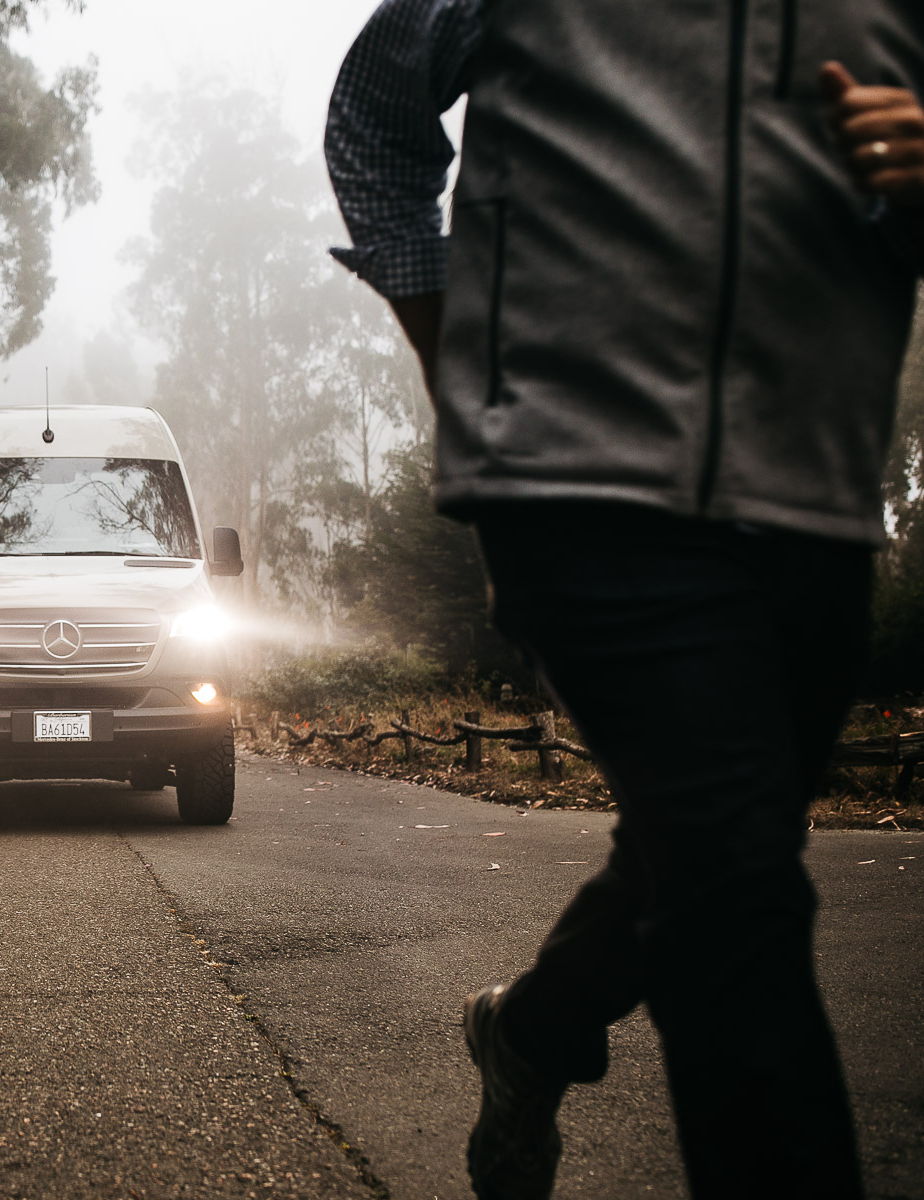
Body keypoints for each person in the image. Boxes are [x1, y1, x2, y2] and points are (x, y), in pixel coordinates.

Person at [325, 2, 923, 1198]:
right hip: (575, 480)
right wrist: (459, 358)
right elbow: (373, 119)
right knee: (737, 897)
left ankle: (533, 1028)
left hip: (812, 489)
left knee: (719, 848)